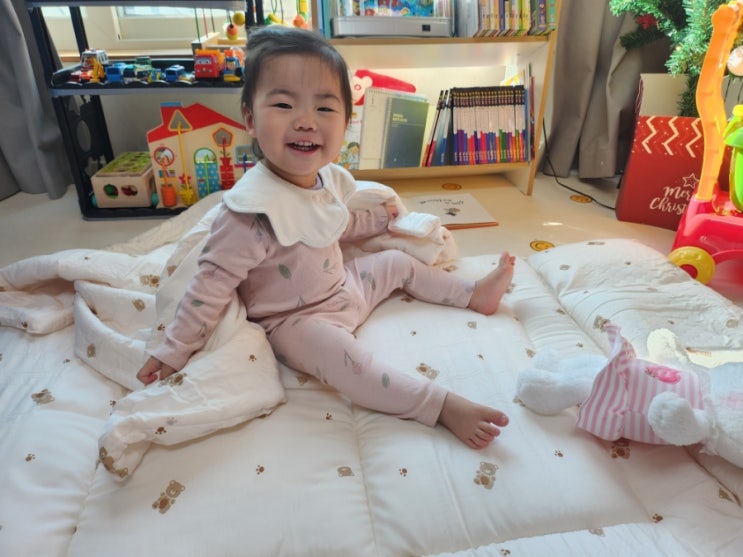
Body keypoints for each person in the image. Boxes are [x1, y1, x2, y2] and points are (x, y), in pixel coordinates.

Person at [137, 26, 513, 449]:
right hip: (296, 322)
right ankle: (439, 405)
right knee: (349, 363)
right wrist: (173, 350)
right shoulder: (250, 211)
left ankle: (473, 294)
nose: (305, 121)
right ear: (250, 119)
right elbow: (208, 287)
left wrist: (377, 220)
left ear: (346, 123)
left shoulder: (325, 179)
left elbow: (333, 224)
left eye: (324, 107)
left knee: (398, 263)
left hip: (346, 287)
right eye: (283, 104)